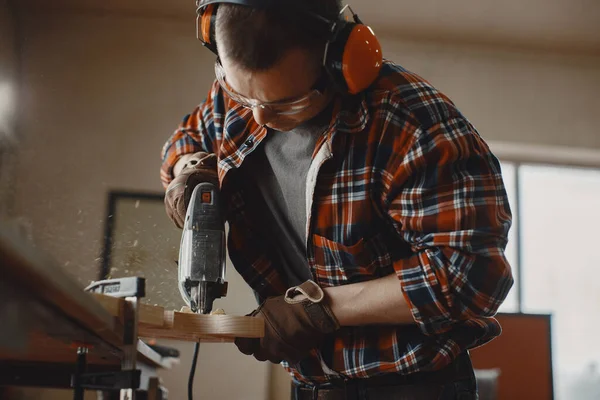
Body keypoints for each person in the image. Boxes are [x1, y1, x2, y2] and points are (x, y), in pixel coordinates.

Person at [161, 0, 514, 398]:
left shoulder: (412, 123)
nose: (259, 118)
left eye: (286, 104)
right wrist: (188, 169)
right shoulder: (235, 100)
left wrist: (318, 308)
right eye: (243, 97)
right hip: (311, 384)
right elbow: (187, 139)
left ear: (342, 63)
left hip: (413, 386)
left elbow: (469, 275)